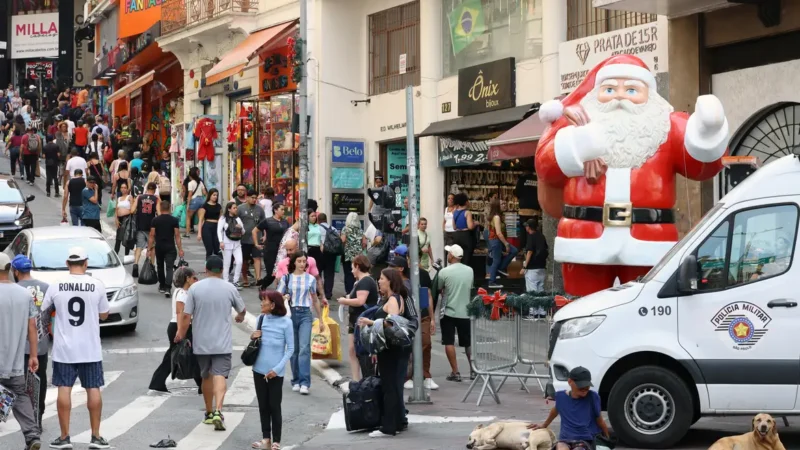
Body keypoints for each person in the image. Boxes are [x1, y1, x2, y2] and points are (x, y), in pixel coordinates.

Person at [41, 247, 112, 449]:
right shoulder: (96, 284)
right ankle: (96, 436)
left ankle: (64, 437)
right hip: (90, 348)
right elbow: (105, 314)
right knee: (93, 388)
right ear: (86, 263)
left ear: (67, 264)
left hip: (64, 348)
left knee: (64, 388)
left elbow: (45, 313)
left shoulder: (56, 286)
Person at [175, 255, 247, 431]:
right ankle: (218, 411)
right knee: (220, 375)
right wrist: (240, 316)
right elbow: (242, 310)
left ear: (206, 269)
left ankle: (208, 412)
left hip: (201, 342)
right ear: (222, 270)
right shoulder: (229, 288)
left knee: (206, 376)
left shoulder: (195, 289)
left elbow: (186, 315)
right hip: (222, 342)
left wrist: (181, 334)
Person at [356, 269, 412, 438]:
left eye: (381, 278)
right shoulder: (394, 298)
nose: (378, 281)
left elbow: (392, 325)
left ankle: (389, 427)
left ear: (390, 281)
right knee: (392, 385)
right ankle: (394, 423)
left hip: (391, 350)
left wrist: (369, 322)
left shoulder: (394, 299)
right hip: (388, 349)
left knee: (390, 386)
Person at [0, 253, 42, 450]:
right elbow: (32, 327)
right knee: (20, 395)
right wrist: (33, 355)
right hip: (15, 362)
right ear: (10, 269)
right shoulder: (24, 295)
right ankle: (32, 435)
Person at [275, 251, 326, 395]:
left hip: (305, 314)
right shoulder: (287, 278)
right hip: (291, 313)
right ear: (294, 263)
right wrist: (284, 296)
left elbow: (314, 299)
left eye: (304, 261)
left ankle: (305, 382)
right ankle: (296, 380)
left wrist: (320, 319)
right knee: (294, 349)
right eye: (299, 261)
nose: (302, 264)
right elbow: (278, 295)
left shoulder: (310, 279)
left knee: (304, 348)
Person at [250, 290, 293, 450]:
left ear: (273, 305)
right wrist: (253, 336)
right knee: (263, 405)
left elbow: (291, 349)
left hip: (276, 371)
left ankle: (276, 441)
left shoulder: (286, 322)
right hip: (258, 369)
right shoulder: (261, 319)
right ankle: (266, 438)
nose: (262, 303)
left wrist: (277, 369)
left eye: (264, 301)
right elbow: (257, 342)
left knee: (275, 405)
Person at [149, 267, 203, 393]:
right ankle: (202, 385)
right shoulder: (182, 294)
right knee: (187, 355)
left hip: (181, 326)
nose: (196, 280)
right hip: (180, 326)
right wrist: (180, 331)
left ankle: (157, 382)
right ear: (187, 279)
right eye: (194, 278)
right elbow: (180, 313)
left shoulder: (183, 292)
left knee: (179, 355)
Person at [528, 367, 609, 450]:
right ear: (570, 381)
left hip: (585, 439)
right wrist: (544, 425)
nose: (584, 389)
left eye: (586, 386)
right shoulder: (560, 396)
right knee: (560, 447)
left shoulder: (593, 397)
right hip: (565, 439)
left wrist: (607, 439)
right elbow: (555, 410)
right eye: (581, 386)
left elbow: (600, 420)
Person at [13, 254, 51, 429]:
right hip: (41, 345)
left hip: (19, 345)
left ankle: (24, 420)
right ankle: (38, 418)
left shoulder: (15, 289)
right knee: (39, 382)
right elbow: (52, 316)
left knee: (17, 384)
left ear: (15, 271)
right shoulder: (46, 287)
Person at [336, 254, 378, 381]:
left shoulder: (365, 281)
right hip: (355, 320)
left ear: (358, 266)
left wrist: (344, 301)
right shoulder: (360, 282)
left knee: (360, 351)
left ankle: (362, 380)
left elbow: (360, 301)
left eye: (353, 267)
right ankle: (356, 380)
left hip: (361, 321)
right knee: (352, 350)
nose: (351, 270)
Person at [437, 244, 475, 382]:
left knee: (449, 341)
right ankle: (473, 370)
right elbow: (470, 287)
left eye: (448, 253)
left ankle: (455, 371)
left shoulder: (444, 272)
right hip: (465, 311)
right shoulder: (470, 271)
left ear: (452, 256)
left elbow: (440, 287)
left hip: (448, 311)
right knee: (468, 342)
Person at [148, 201, 184, 297]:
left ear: (160, 207)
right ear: (169, 208)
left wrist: (149, 248)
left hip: (159, 247)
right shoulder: (174, 220)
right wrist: (180, 249)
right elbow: (177, 235)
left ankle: (162, 285)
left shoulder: (155, 220)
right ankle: (168, 287)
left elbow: (152, 235)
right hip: (170, 247)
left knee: (160, 266)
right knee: (169, 267)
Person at [485, 197, 519, 288]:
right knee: (496, 260)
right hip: (496, 240)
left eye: (504, 203)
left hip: (498, 241)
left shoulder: (499, 216)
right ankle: (492, 281)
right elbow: (499, 233)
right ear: (497, 206)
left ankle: (500, 268)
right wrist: (506, 244)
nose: (505, 205)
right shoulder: (496, 217)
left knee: (514, 251)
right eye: (502, 204)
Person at [254, 203, 289, 288]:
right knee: (271, 273)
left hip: (282, 250)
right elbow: (254, 231)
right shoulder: (268, 221)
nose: (283, 211)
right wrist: (256, 244)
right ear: (275, 210)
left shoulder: (285, 222)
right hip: (270, 250)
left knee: (283, 271)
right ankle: (262, 286)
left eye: (284, 210)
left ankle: (282, 290)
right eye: (282, 209)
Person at [131, 182, 160, 278]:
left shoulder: (139, 197)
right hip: (151, 227)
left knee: (139, 246)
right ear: (155, 190)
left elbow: (132, 210)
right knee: (152, 247)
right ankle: (152, 266)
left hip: (140, 225)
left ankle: (135, 264)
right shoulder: (156, 199)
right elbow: (159, 213)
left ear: (147, 188)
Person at [238, 190, 266, 287]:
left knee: (257, 257)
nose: (254, 200)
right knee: (244, 259)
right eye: (252, 198)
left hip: (257, 238)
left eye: (256, 198)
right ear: (247, 197)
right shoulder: (240, 208)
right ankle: (245, 278)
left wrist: (265, 235)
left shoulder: (259, 209)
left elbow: (264, 223)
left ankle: (258, 278)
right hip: (244, 238)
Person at [218, 201, 245, 288]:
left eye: (236, 208)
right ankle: (225, 281)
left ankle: (235, 281)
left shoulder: (238, 219)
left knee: (239, 261)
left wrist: (240, 227)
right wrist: (221, 241)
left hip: (237, 243)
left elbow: (243, 232)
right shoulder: (223, 219)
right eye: (234, 208)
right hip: (226, 244)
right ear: (229, 209)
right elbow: (219, 230)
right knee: (227, 263)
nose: (236, 209)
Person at [342, 212, 366, 293]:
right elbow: (364, 243)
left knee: (348, 274)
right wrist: (359, 249)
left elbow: (343, 240)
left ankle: (349, 291)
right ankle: (356, 290)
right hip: (358, 256)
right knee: (357, 273)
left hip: (348, 255)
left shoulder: (345, 229)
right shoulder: (360, 230)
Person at [522, 218, 548, 294]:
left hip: (532, 268)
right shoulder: (541, 236)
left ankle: (533, 307)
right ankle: (541, 306)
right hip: (542, 267)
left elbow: (530, 251)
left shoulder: (531, 236)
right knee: (540, 291)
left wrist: (524, 266)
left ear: (528, 227)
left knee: (532, 293)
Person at [451, 193, 476, 268]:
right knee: (466, 258)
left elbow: (454, 227)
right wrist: (475, 223)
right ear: (466, 202)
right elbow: (470, 227)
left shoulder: (455, 212)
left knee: (458, 256)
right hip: (466, 236)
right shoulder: (467, 213)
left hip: (457, 236)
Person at [316, 213, 336, 300]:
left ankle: (318, 292)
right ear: (326, 219)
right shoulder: (333, 229)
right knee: (329, 274)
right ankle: (328, 293)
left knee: (317, 273)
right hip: (331, 254)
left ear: (318, 220)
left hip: (320, 252)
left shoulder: (317, 228)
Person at [197, 188, 222, 258]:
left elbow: (221, 219)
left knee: (217, 249)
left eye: (216, 195)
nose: (215, 197)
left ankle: (217, 266)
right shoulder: (205, 206)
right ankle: (208, 266)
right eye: (214, 195)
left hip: (217, 227)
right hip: (207, 227)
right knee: (209, 249)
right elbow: (200, 220)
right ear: (210, 195)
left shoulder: (218, 206)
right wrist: (199, 233)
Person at [185, 167, 207, 237]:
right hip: (201, 200)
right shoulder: (200, 182)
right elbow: (204, 193)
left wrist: (188, 205)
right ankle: (203, 232)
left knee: (188, 217)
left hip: (194, 200)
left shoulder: (190, 183)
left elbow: (190, 195)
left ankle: (187, 233)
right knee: (201, 218)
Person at [114, 182, 134, 256]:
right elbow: (116, 210)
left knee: (126, 238)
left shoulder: (129, 197)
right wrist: (116, 219)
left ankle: (126, 255)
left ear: (127, 189)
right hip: (120, 219)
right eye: (122, 187)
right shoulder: (119, 198)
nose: (123, 189)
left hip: (127, 219)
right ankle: (116, 254)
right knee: (118, 238)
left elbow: (132, 209)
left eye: (125, 187)